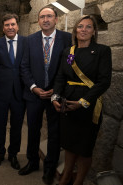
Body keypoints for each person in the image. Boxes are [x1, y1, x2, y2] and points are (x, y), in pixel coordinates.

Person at [52, 15, 112, 185]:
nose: (83, 30)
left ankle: (78, 181)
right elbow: (60, 78)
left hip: (89, 105)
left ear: (94, 31)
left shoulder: (102, 51)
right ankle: (65, 177)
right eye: (80, 26)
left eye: (88, 27)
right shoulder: (68, 52)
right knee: (70, 144)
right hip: (68, 103)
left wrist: (83, 102)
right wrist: (55, 97)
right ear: (75, 30)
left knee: (84, 148)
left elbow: (104, 81)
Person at [20, 6, 72, 184]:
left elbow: (69, 67)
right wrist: (34, 87)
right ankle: (32, 161)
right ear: (38, 20)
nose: (45, 19)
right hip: (34, 94)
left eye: (49, 16)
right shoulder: (29, 40)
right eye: (42, 17)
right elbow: (24, 66)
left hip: (56, 95)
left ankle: (49, 167)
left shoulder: (67, 39)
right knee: (32, 130)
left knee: (54, 132)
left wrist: (56, 90)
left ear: (56, 19)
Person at [0, 14, 26, 170]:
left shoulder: (26, 42)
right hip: (0, 92)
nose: (10, 27)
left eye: (12, 24)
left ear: (17, 26)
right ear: (3, 28)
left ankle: (13, 154)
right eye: (7, 25)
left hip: (20, 92)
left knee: (17, 126)